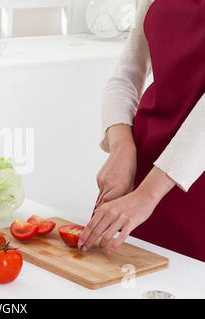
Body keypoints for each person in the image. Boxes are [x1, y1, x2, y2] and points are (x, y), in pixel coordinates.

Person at [77, 0, 205, 262]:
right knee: (106, 273)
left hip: (192, 176)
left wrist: (148, 195)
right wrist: (121, 147)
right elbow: (125, 75)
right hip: (141, 164)